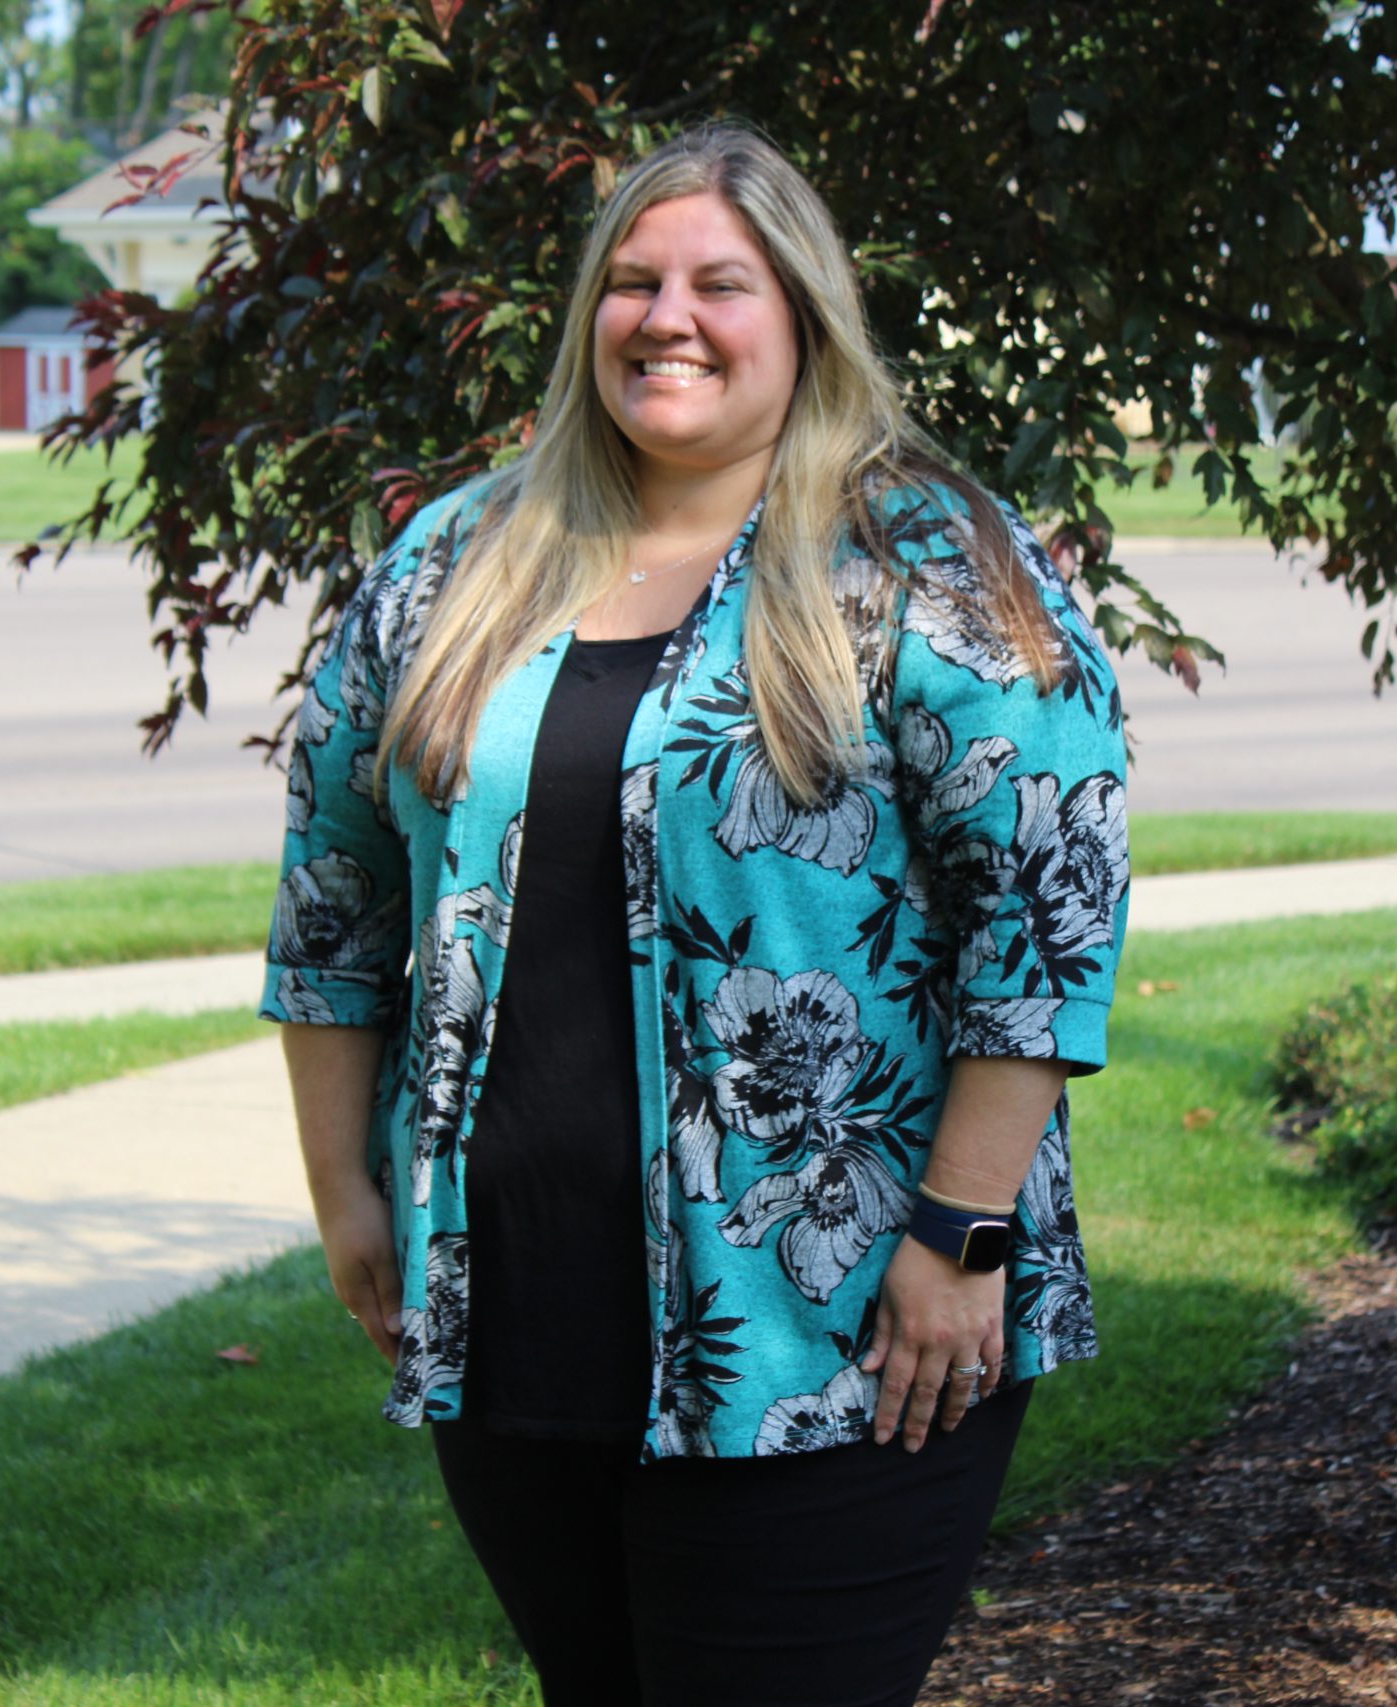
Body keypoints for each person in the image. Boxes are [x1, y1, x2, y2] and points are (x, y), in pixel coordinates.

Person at [260, 120, 1129, 1707]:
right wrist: (345, 1188)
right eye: (635, 281)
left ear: (801, 314)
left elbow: (1047, 917)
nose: (670, 318)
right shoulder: (460, 557)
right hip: (516, 1312)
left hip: (842, 1325)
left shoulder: (926, 556)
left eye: (721, 284)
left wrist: (961, 1233)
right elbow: (334, 893)